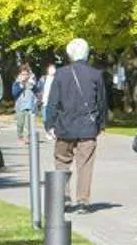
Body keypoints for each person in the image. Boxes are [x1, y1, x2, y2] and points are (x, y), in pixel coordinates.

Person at [44, 37, 109, 213]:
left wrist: (49, 124)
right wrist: (101, 123)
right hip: (87, 127)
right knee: (85, 164)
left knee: (61, 162)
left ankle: (63, 198)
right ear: (87, 54)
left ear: (69, 54)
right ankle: (83, 201)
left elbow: (53, 102)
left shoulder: (61, 74)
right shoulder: (95, 74)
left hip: (64, 125)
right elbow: (102, 102)